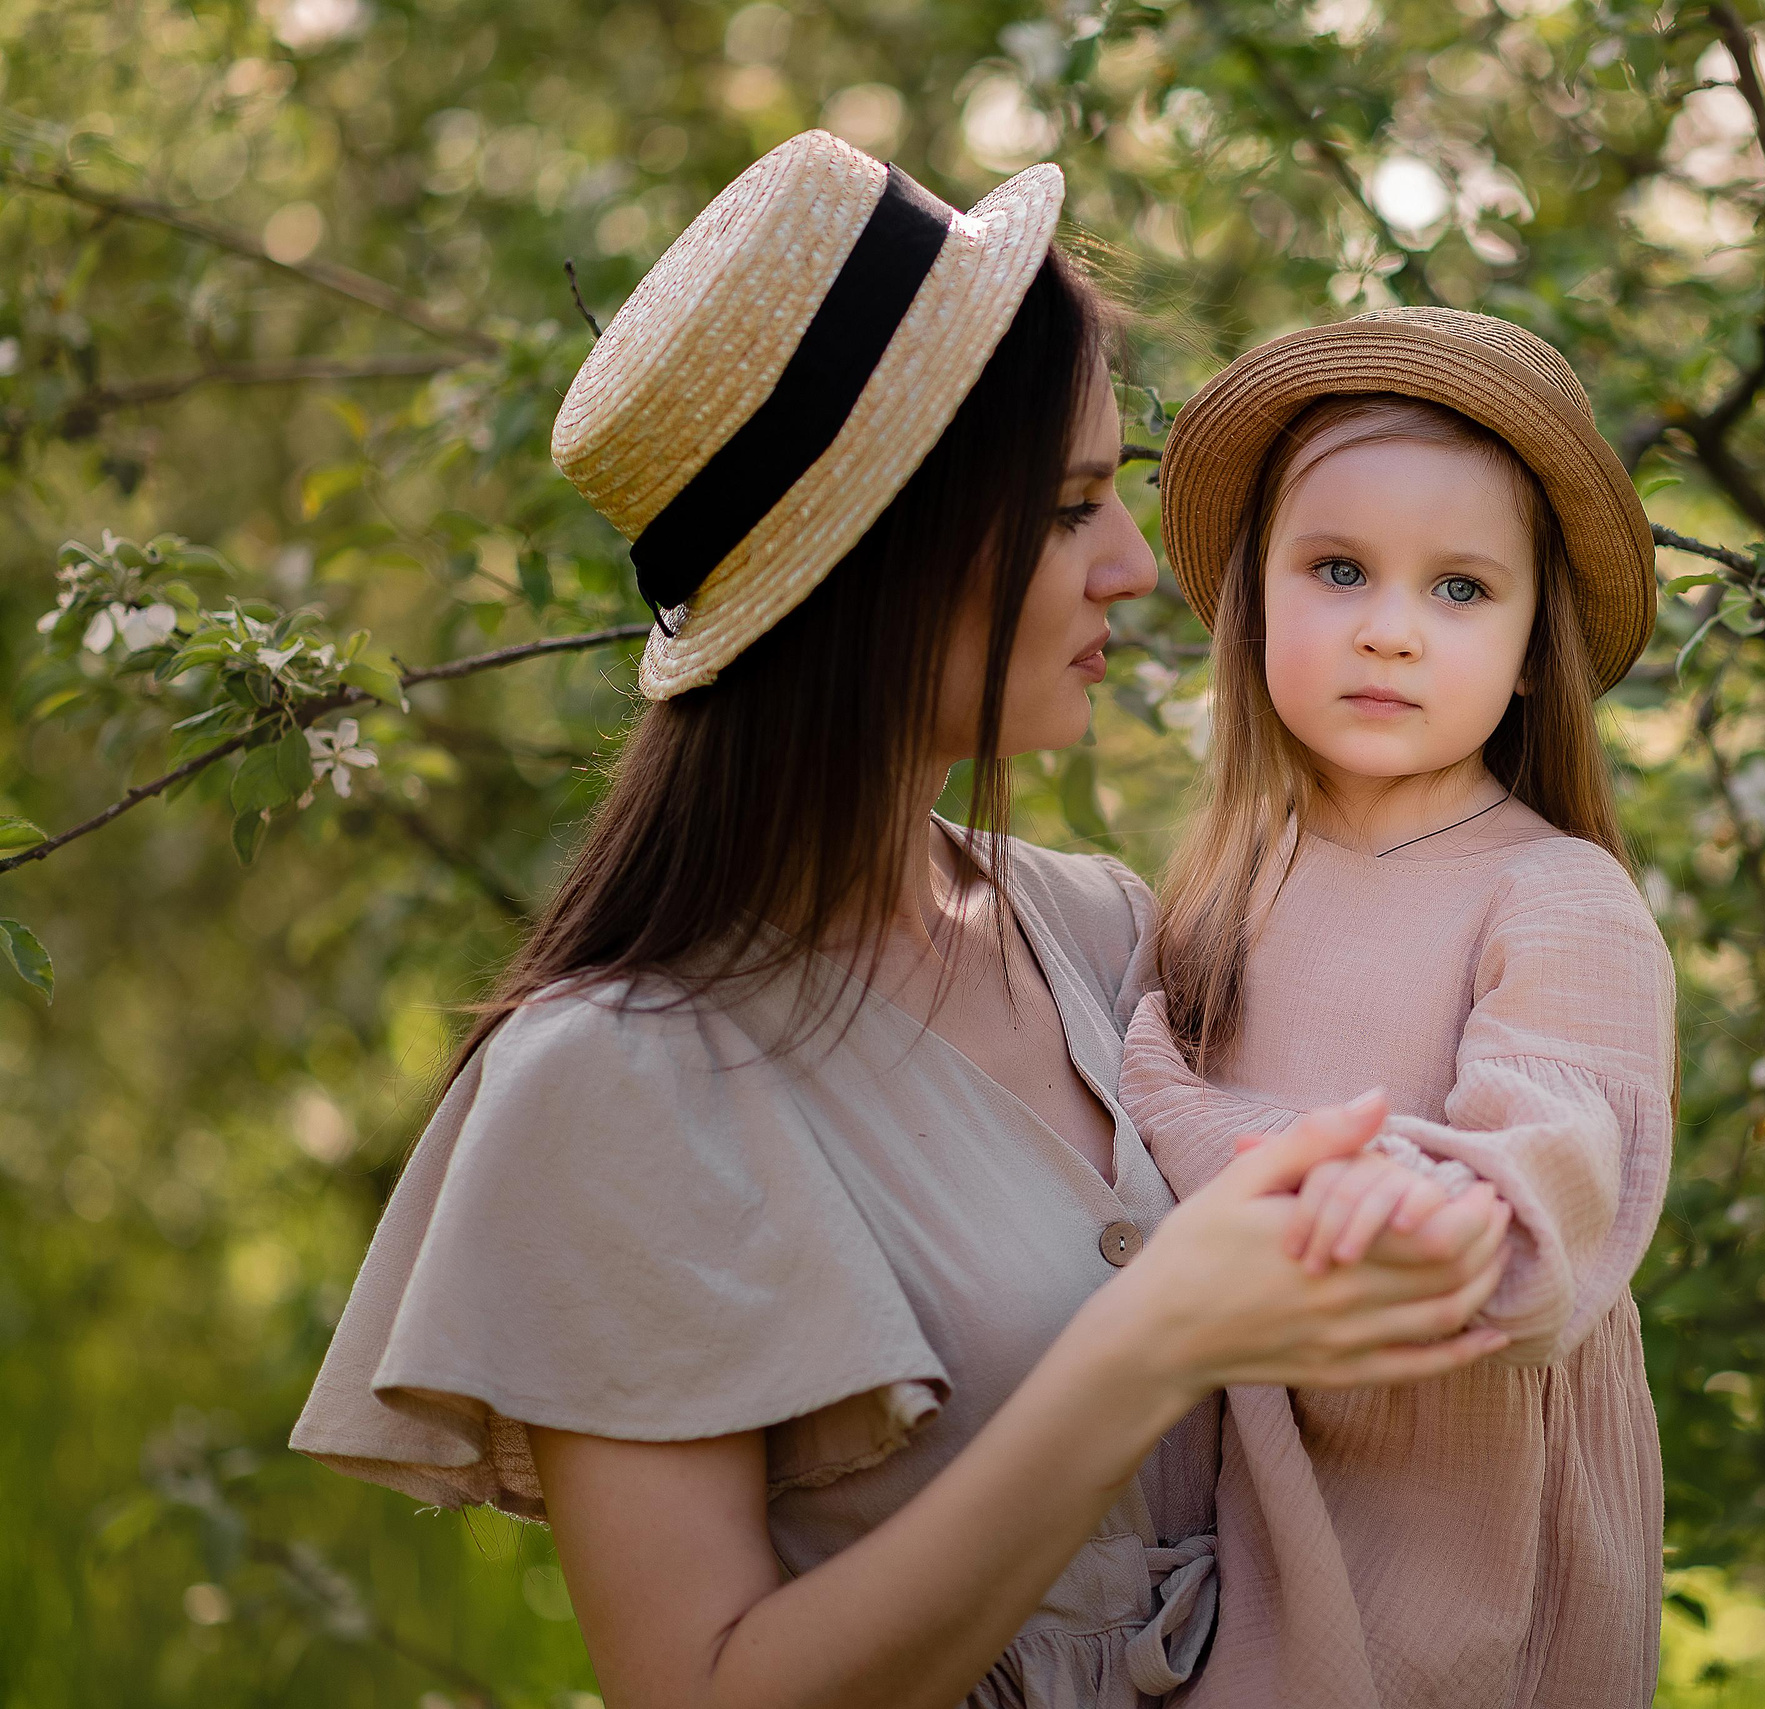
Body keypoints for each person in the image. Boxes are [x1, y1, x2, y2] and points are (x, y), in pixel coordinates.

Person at [289, 134, 1517, 1709]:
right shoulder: (610, 1082)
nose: (1136, 569)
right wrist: (1153, 1339)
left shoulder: (1098, 932)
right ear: (883, 554)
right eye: (1070, 507)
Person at [1117, 309, 1678, 1708]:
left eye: (1461, 589)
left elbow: (1556, 1168)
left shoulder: (1556, 896)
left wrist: (1430, 1205)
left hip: (1457, 1545)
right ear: (1255, 599)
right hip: (1243, 1520)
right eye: (1339, 569)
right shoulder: (1222, 888)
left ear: (1535, 645)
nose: (1388, 630)